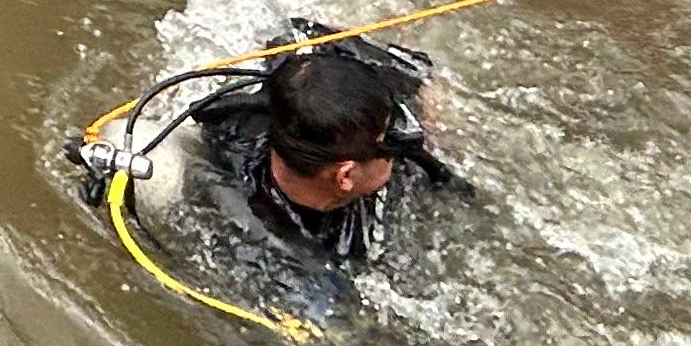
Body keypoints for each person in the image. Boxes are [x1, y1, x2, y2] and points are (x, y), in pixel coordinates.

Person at [159, 29, 466, 292]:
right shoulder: (268, 239)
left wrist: (434, 110)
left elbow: (412, 71)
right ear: (345, 176)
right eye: (390, 137)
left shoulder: (301, 100)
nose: (405, 137)